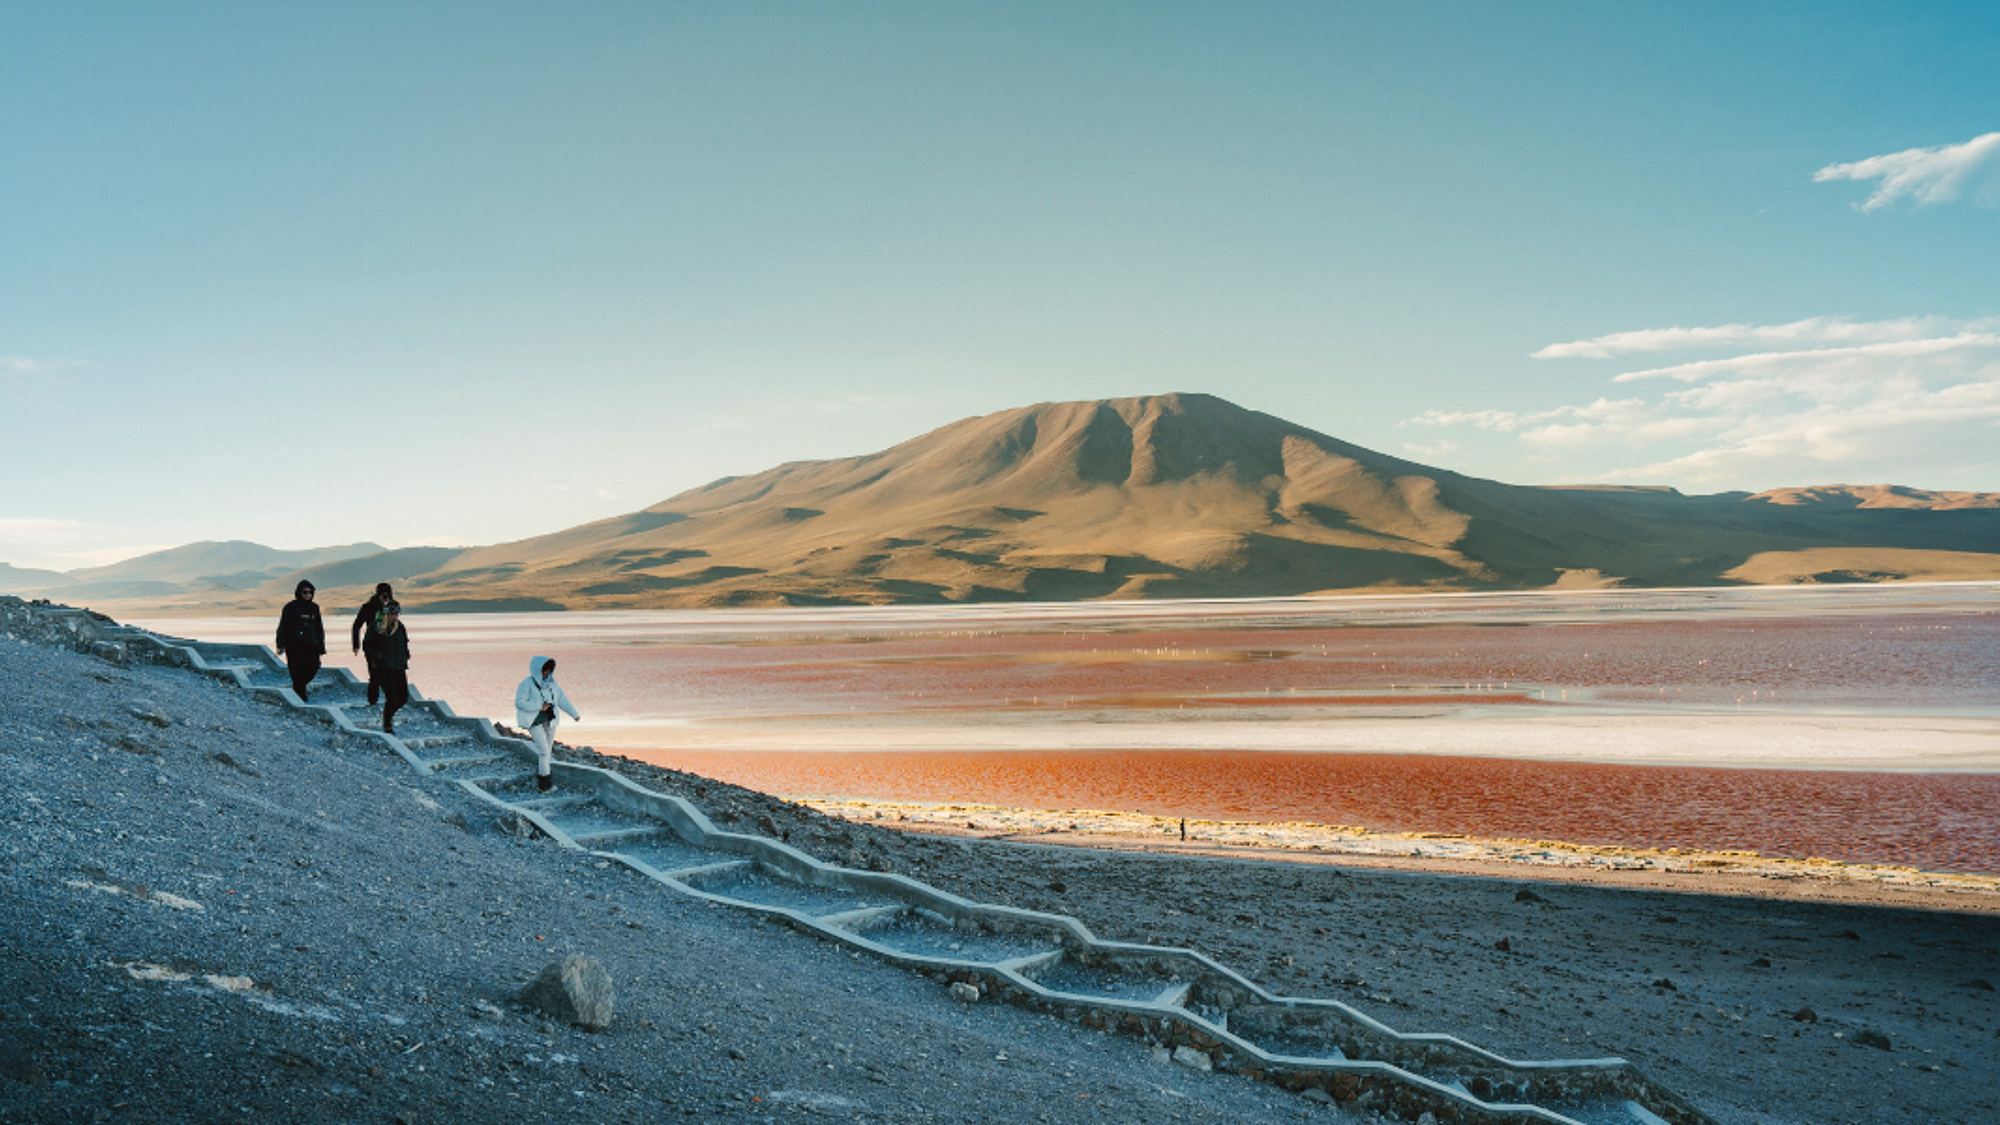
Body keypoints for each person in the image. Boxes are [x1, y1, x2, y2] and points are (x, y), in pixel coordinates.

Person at [514, 655, 581, 792]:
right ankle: (544, 783)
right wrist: (539, 706)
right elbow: (519, 703)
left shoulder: (553, 684)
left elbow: (562, 700)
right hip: (534, 721)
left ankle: (544, 780)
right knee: (543, 751)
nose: (547, 673)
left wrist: (574, 714)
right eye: (544, 670)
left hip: (550, 720)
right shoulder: (526, 684)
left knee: (547, 752)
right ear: (537, 669)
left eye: (549, 670)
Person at [274, 580, 326, 701]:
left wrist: (321, 646)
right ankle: (300, 698)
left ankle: (299, 688)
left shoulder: (314, 608)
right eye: (305, 592)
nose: (308, 595)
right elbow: (283, 626)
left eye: (310, 592)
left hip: (312, 645)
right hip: (294, 645)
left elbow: (319, 627)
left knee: (314, 667)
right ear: (299, 593)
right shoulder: (290, 607)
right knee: (296, 671)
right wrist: (280, 644)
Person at [352, 583, 393, 704]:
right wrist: (356, 645)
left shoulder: (391, 607)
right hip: (372, 644)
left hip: (388, 645)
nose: (385, 598)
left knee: (388, 672)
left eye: (388, 595)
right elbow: (356, 626)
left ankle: (389, 698)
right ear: (378, 594)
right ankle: (373, 700)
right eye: (383, 595)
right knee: (374, 672)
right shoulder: (368, 607)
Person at [374, 600, 412, 735]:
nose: (395, 616)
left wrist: (405, 655)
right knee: (391, 697)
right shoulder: (377, 627)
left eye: (397, 613)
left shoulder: (400, 627)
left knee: (403, 697)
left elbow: (404, 643)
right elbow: (369, 645)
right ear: (386, 613)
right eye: (392, 613)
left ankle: (387, 717)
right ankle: (387, 724)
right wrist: (377, 660)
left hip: (399, 666)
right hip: (384, 668)